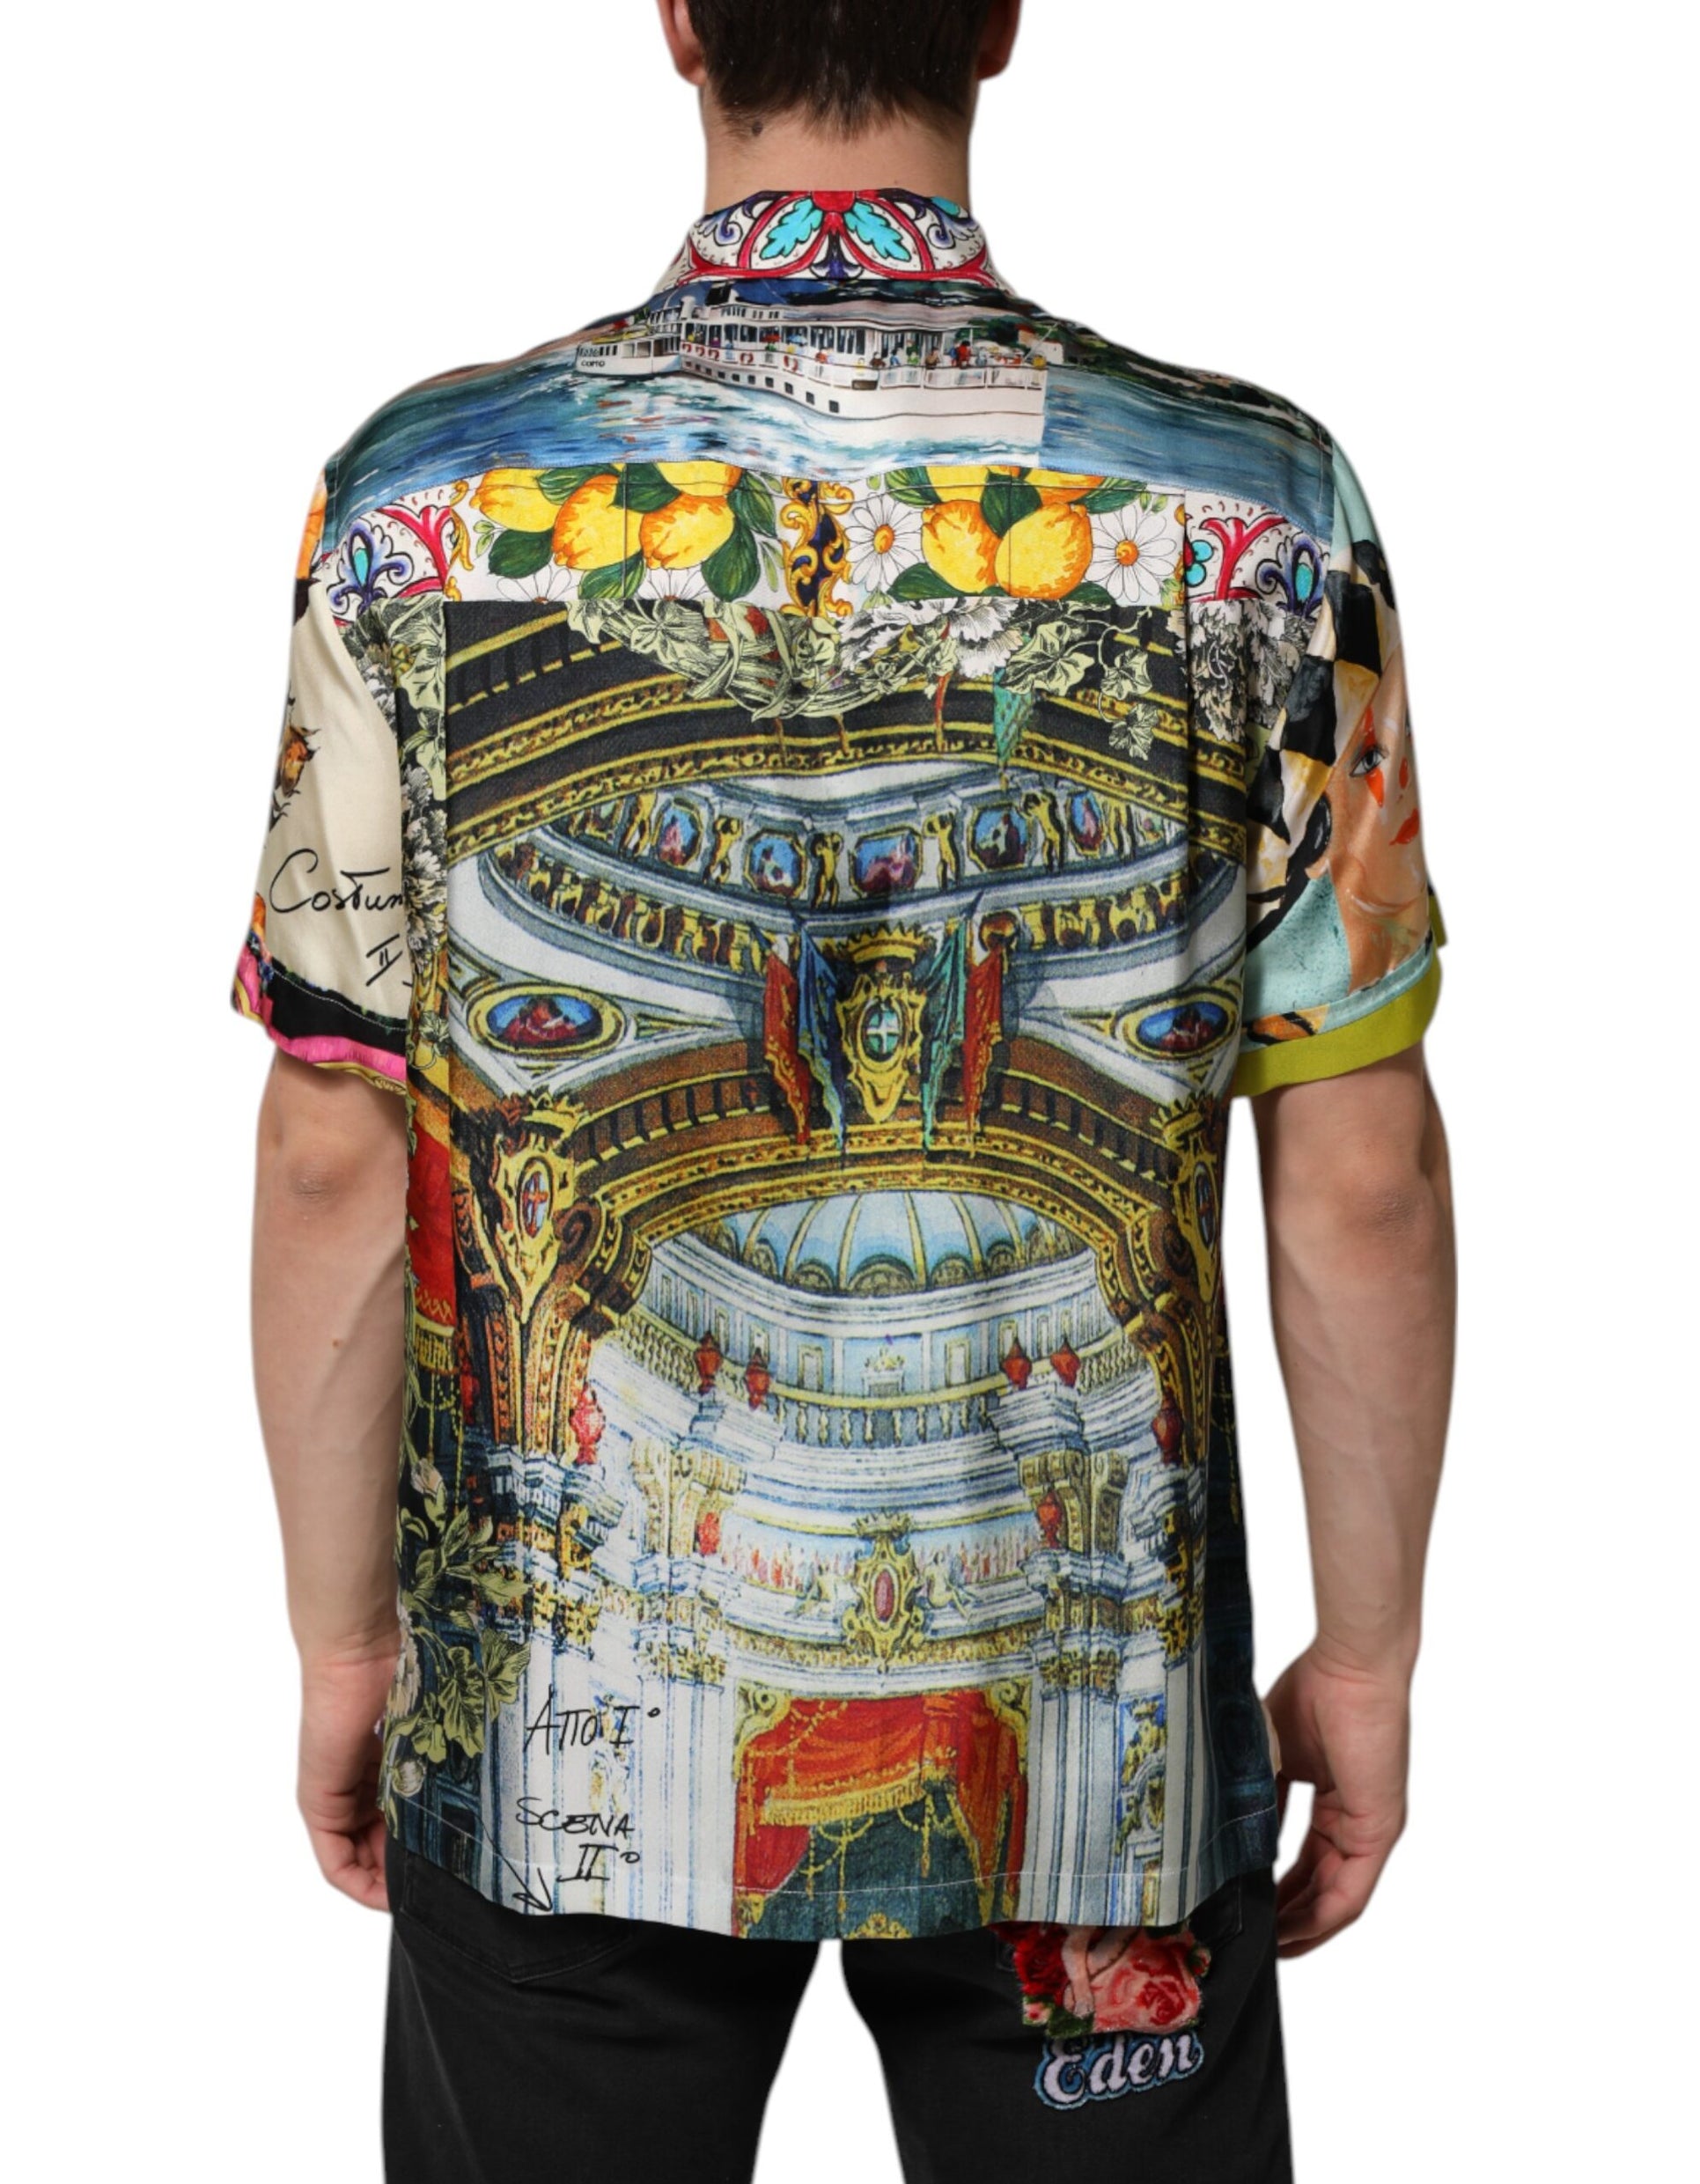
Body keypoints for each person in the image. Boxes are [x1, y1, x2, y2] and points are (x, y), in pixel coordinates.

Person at [231, 3, 1456, 2177]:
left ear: (678, 21)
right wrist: (1361, 1655)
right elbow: (1357, 1169)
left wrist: (348, 1636)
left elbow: (337, 1141)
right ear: (997, 18)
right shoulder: (1260, 513)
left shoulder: (423, 509)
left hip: (555, 1731)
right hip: (1098, 1749)